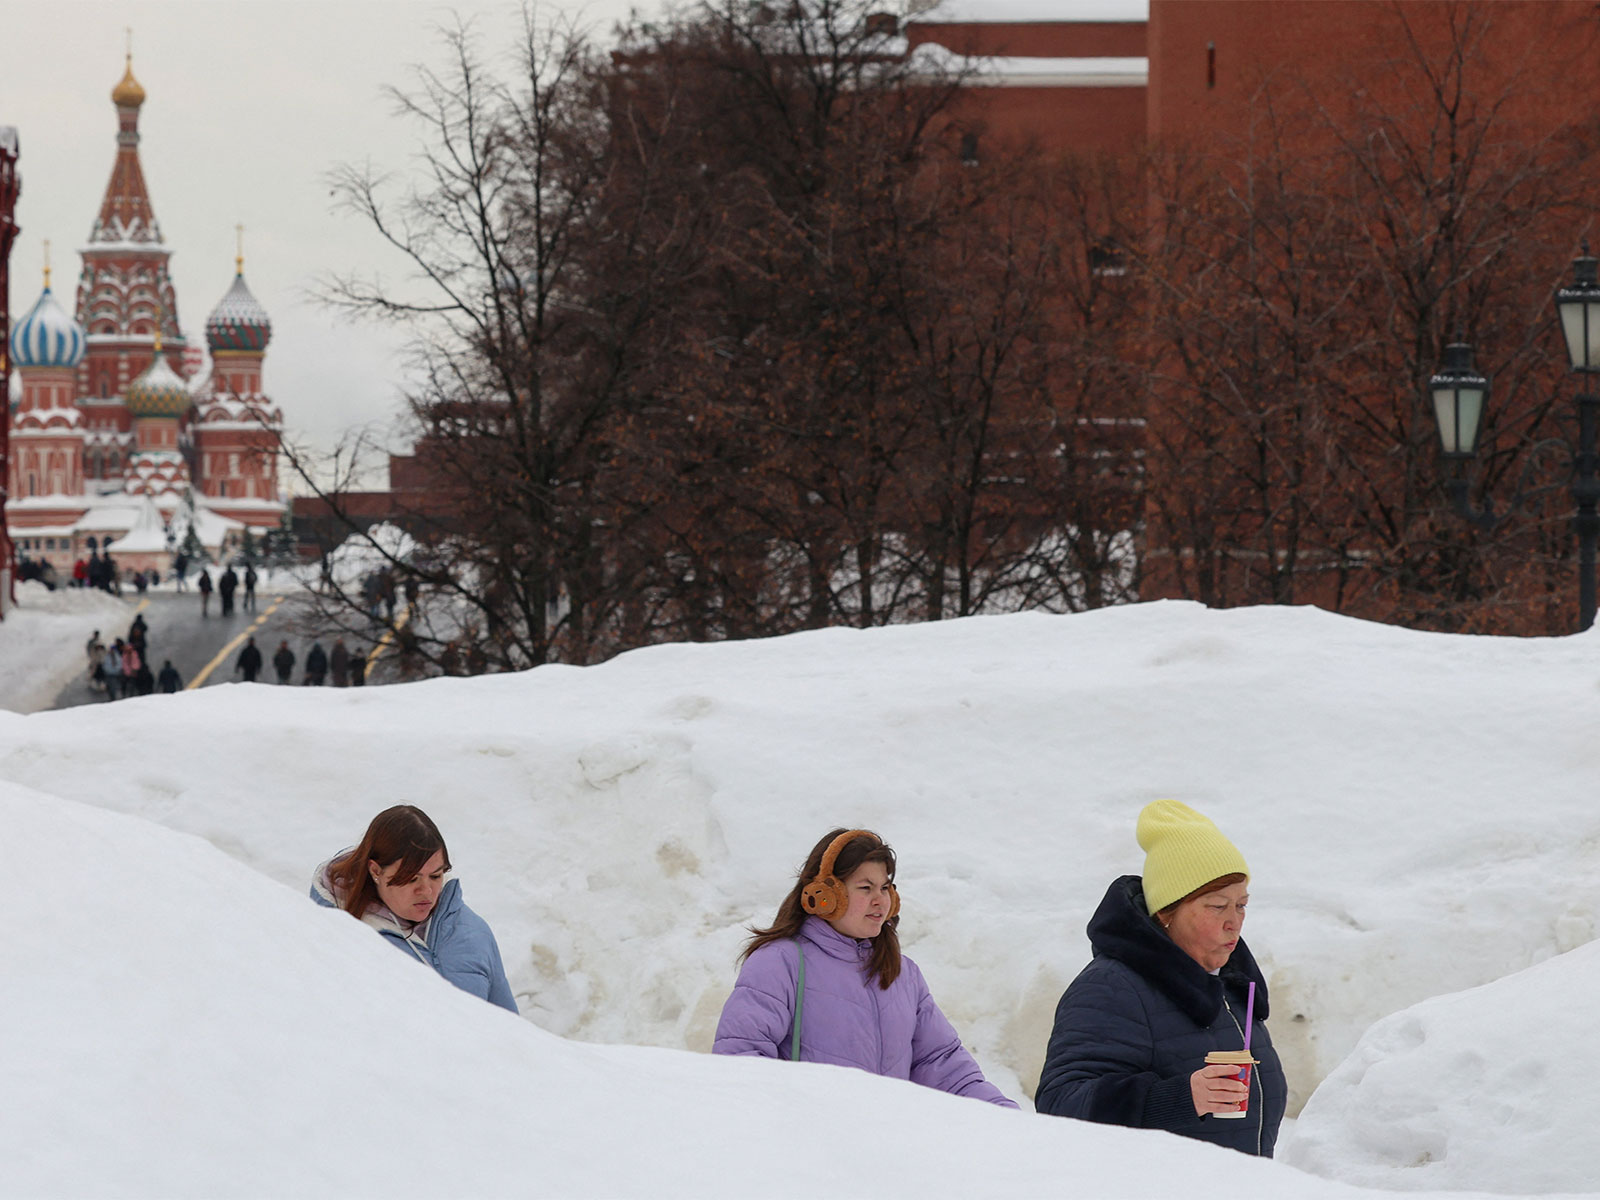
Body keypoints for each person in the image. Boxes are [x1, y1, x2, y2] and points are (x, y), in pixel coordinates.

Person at [1036, 800, 1286, 1157]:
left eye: (1241, 905)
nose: (1235, 921)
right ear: (1168, 912)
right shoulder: (1112, 988)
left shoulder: (1229, 987)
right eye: (1218, 906)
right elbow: (1060, 1104)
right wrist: (1181, 1098)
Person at [713, 828, 1017, 1108]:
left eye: (885, 888)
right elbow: (741, 1062)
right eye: (865, 888)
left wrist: (1007, 1118)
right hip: (808, 1148)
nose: (879, 901)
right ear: (825, 895)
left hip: (882, 1149)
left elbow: (943, 1065)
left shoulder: (902, 974)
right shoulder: (780, 963)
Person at [309, 805, 517, 1012]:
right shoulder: (342, 940)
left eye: (436, 876)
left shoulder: (472, 932)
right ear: (376, 871)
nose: (426, 891)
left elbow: (515, 1033)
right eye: (411, 879)